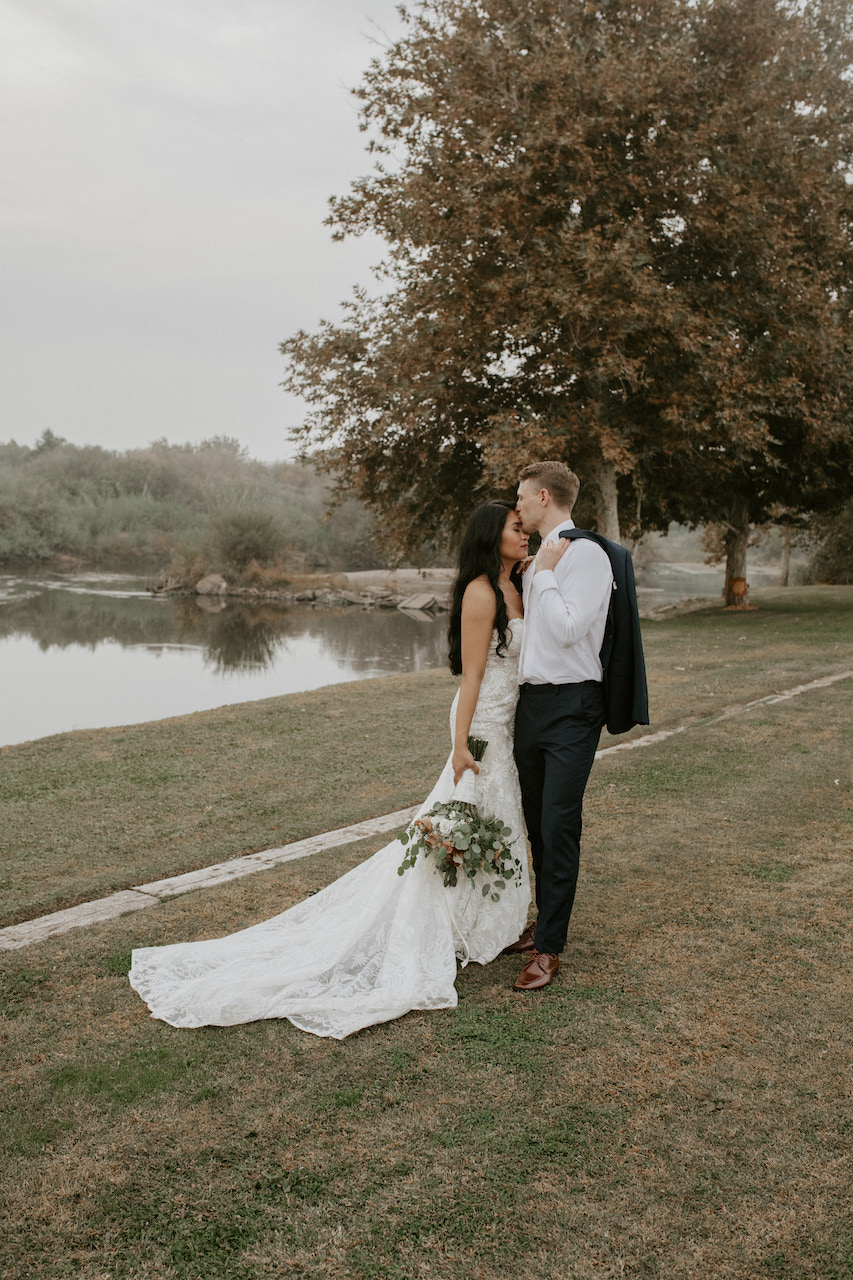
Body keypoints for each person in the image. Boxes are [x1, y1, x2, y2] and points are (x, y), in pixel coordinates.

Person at [129, 502, 531, 1039]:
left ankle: (484, 915)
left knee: (495, 815)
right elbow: (473, 676)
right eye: (515, 527)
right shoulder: (482, 592)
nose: (524, 533)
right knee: (463, 816)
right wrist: (460, 743)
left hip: (508, 722)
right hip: (482, 722)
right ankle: (448, 921)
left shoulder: (519, 585)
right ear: (490, 536)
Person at [505, 460, 613, 992]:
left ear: (544, 497)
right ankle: (543, 919)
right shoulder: (533, 563)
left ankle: (550, 947)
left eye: (522, 497)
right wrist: (533, 572)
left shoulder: (586, 555)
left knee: (559, 822)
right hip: (532, 707)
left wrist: (544, 574)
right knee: (534, 822)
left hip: (573, 706)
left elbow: (570, 631)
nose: (517, 506)